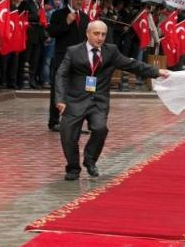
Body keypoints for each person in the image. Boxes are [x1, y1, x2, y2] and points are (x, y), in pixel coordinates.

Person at [55, 20, 170, 180]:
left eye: (103, 34)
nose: (100, 38)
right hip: (75, 100)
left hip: (98, 101)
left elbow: (132, 64)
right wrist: (60, 99)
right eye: (96, 34)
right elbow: (61, 74)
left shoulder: (111, 51)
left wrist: (156, 71)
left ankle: (90, 160)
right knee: (68, 135)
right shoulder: (73, 51)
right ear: (87, 34)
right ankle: (73, 168)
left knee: (100, 129)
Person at [47, 0, 89, 132]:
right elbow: (52, 32)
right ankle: (54, 121)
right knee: (59, 89)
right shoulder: (58, 14)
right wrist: (66, 22)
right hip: (62, 57)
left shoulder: (84, 17)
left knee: (77, 90)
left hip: (79, 60)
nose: (79, 1)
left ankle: (74, 122)